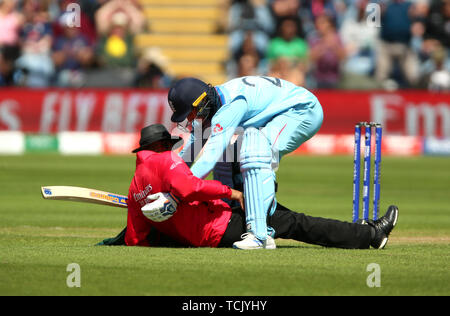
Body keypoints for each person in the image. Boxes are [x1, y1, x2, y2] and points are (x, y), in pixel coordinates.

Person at [98, 124, 399, 250]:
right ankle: (371, 235)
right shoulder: (166, 161)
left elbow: (137, 238)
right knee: (294, 223)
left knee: (284, 216)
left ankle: (364, 230)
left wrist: (119, 241)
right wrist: (232, 193)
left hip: (209, 226)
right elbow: (190, 188)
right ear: (163, 144)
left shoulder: (136, 183)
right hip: (219, 224)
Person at [165, 75, 324, 250]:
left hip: (302, 111)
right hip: (284, 111)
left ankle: (260, 235)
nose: (189, 119)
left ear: (201, 103)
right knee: (227, 158)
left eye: (191, 113)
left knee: (256, 149)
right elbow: (191, 150)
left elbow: (208, 159)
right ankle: (236, 218)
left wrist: (175, 194)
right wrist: (167, 182)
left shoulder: (231, 106)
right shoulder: (213, 105)